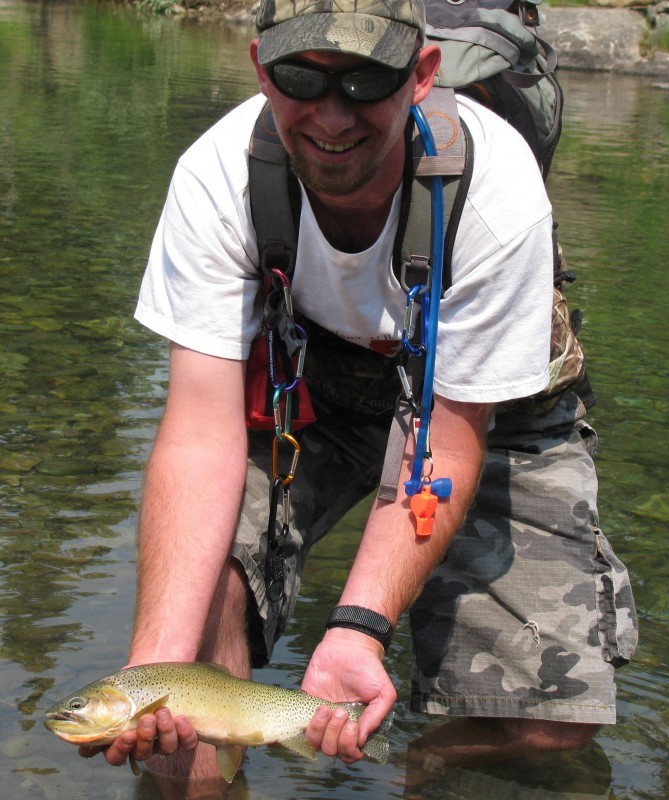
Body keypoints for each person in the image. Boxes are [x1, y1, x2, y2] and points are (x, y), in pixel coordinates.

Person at [79, 0, 637, 792]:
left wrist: (357, 628)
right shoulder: (218, 175)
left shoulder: (495, 191)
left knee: (544, 725)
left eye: (366, 79)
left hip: (488, 413)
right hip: (317, 393)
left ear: (422, 74)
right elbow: (200, 435)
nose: (332, 115)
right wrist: (152, 678)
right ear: (261, 70)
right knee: (192, 648)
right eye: (302, 77)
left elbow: (448, 439)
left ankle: (419, 761)